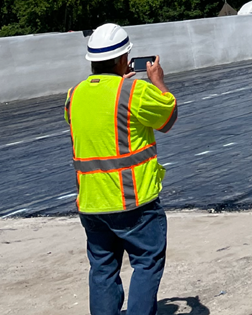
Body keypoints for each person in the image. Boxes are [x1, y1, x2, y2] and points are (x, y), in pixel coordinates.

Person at [63, 23, 178, 315]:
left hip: (91, 204)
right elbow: (168, 117)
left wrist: (118, 83)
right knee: (147, 263)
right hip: (133, 202)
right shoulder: (134, 91)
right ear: (124, 59)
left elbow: (99, 118)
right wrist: (158, 82)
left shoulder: (73, 95)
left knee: (102, 268)